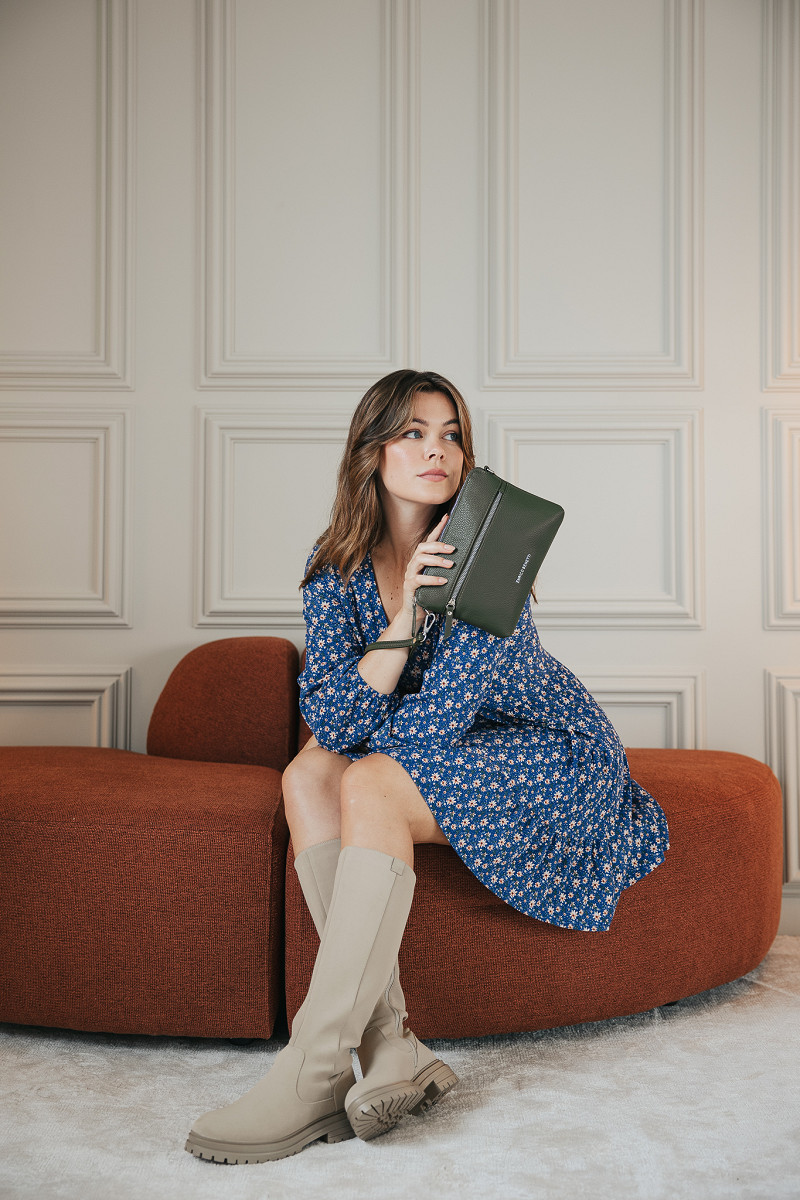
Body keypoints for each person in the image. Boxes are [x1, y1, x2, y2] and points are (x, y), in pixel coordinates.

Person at [185, 369, 670, 1165]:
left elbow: (433, 724)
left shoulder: (490, 553)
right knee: (307, 773)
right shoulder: (336, 565)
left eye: (451, 435)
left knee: (363, 777)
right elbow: (330, 718)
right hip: (443, 744)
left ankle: (312, 1069)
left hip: (544, 751)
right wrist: (408, 613)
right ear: (371, 452)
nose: (436, 450)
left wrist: (364, 710)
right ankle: (390, 1048)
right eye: (413, 432)